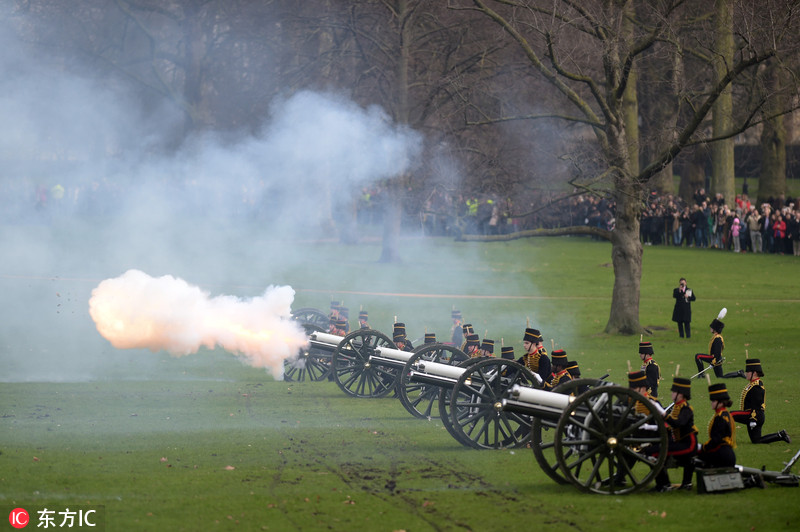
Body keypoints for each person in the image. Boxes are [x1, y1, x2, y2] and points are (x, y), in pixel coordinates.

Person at [649, 377, 698, 492]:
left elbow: (678, 423)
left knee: (656, 453)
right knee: (654, 450)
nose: (672, 394)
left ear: (681, 394)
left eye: (674, 392)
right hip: (680, 442)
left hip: (688, 445)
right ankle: (666, 483)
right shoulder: (677, 407)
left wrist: (663, 413)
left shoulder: (686, 408)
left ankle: (664, 484)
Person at [730, 359, 791, 444]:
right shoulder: (753, 383)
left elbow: (757, 405)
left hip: (753, 415)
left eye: (748, 372)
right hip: (755, 415)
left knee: (729, 415)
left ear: (754, 373)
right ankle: (780, 435)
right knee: (757, 440)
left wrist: (753, 419)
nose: (746, 373)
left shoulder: (757, 386)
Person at [690, 383, 736, 471]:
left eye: (713, 401)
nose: (711, 403)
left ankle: (687, 483)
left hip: (722, 454)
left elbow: (716, 440)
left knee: (690, 458)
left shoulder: (720, 417)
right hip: (726, 453)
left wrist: (702, 448)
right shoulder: (725, 414)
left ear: (720, 402)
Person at [694, 309, 727, 378]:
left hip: (715, 359)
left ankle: (701, 374)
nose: (710, 329)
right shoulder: (716, 337)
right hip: (715, 359)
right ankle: (738, 373)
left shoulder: (718, 338)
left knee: (698, 356)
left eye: (711, 328)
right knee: (720, 377)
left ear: (715, 329)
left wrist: (713, 363)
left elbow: (717, 353)